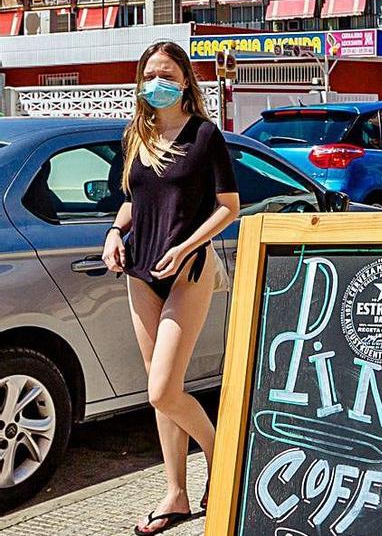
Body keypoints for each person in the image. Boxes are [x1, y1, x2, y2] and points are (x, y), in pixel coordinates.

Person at [100, 41, 239, 535]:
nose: (154, 83)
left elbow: (228, 206)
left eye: (165, 73)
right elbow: (135, 203)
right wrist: (115, 233)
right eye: (147, 75)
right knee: (161, 394)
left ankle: (224, 456)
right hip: (141, 273)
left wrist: (186, 247)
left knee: (163, 390)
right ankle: (176, 493)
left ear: (184, 80)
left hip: (188, 272)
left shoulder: (205, 136)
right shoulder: (138, 133)